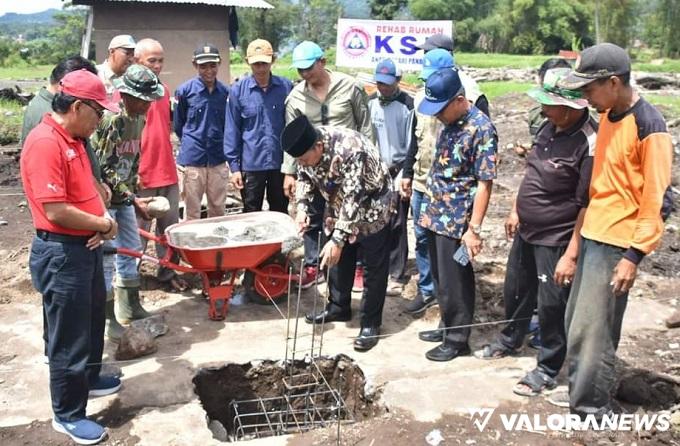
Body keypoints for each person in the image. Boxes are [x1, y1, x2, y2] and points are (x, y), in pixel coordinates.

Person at [546, 43, 673, 418]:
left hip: (618, 240)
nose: (585, 97)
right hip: (593, 234)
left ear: (613, 83)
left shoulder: (650, 127)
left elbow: (656, 198)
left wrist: (634, 256)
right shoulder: (608, 117)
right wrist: (576, 244)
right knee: (577, 322)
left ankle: (592, 408)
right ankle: (582, 392)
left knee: (595, 330)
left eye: (589, 89)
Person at [473, 68, 596, 399]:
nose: (542, 109)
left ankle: (548, 367)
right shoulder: (548, 126)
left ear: (570, 107)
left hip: (556, 238)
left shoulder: (589, 141)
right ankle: (510, 338)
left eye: (548, 104)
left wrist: (571, 254)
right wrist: (516, 208)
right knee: (515, 288)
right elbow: (532, 173)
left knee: (552, 304)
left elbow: (586, 205)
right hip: (527, 230)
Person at [21, 69, 121, 445]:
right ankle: (67, 414)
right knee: (69, 338)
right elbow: (56, 209)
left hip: (85, 246)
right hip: (62, 254)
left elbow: (82, 193)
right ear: (77, 106)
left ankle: (89, 380)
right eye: (98, 113)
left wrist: (97, 221)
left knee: (92, 321)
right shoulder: (45, 142)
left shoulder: (75, 138)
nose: (100, 121)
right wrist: (103, 224)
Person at [281, 115, 392, 352]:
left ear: (318, 147)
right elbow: (304, 178)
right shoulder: (307, 147)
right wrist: (301, 209)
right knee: (336, 260)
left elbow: (354, 197)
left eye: (305, 158)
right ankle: (338, 307)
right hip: (337, 203)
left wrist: (338, 240)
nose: (303, 163)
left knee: (373, 265)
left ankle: (371, 323)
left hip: (372, 205)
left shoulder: (351, 149)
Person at [417, 68, 498, 362]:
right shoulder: (449, 123)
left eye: (441, 109)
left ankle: (457, 338)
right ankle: (446, 324)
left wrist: (473, 229)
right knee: (441, 278)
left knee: (456, 282)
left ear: (459, 99)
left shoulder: (481, 128)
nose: (437, 115)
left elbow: (484, 183)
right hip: (436, 212)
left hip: (458, 220)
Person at [283, 40, 374, 289]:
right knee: (312, 215)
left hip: (350, 166)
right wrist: (289, 172)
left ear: (322, 62)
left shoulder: (350, 87)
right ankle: (315, 265)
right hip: (314, 169)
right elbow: (293, 138)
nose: (304, 74)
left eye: (309, 68)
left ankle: (355, 267)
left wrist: (373, 164)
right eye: (300, 70)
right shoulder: (295, 98)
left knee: (353, 214)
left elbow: (366, 126)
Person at [91, 64, 164, 340]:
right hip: (107, 197)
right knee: (108, 255)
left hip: (125, 195)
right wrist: (132, 197)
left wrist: (134, 186)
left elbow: (131, 160)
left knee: (131, 248)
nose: (148, 104)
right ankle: (109, 318)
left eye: (150, 99)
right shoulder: (112, 121)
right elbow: (103, 167)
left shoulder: (139, 120)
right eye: (144, 100)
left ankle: (130, 307)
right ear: (128, 96)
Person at [400, 49, 454, 315]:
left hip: (446, 186)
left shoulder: (462, 98)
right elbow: (415, 138)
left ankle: (449, 293)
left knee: (445, 242)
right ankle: (427, 289)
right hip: (421, 182)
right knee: (421, 237)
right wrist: (407, 173)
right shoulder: (421, 98)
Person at [133, 38, 186, 291]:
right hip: (141, 175)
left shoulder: (164, 91)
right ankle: (129, 281)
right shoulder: (126, 94)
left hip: (167, 171)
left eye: (160, 60)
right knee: (138, 233)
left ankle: (167, 275)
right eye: (151, 60)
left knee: (169, 231)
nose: (157, 65)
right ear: (137, 61)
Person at [224, 38, 293, 213]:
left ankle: (277, 242)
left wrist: (293, 168)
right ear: (248, 62)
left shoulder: (286, 88)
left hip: (279, 163)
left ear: (273, 61)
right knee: (251, 213)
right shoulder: (238, 91)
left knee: (280, 212)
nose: (261, 69)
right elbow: (232, 130)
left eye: (264, 63)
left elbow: (292, 126)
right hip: (251, 164)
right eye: (256, 64)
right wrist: (234, 168)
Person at [367, 58, 415, 296]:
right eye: (379, 83)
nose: (383, 88)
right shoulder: (371, 103)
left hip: (397, 169)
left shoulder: (407, 106)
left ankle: (396, 273)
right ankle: (375, 267)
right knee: (374, 219)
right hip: (375, 169)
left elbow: (411, 145)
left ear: (398, 81)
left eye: (387, 83)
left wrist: (407, 173)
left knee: (397, 221)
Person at [174, 44, 230, 220]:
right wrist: (192, 141)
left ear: (219, 64)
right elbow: (178, 125)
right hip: (193, 159)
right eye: (203, 66)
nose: (209, 71)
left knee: (218, 209)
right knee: (192, 211)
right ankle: (192, 246)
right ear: (195, 65)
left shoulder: (225, 93)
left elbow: (227, 125)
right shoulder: (184, 92)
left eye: (213, 65)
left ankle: (216, 246)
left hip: (218, 158)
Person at [417, 33, 489, 117]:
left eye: (428, 51)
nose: (426, 55)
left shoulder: (469, 89)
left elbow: (484, 126)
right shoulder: (426, 87)